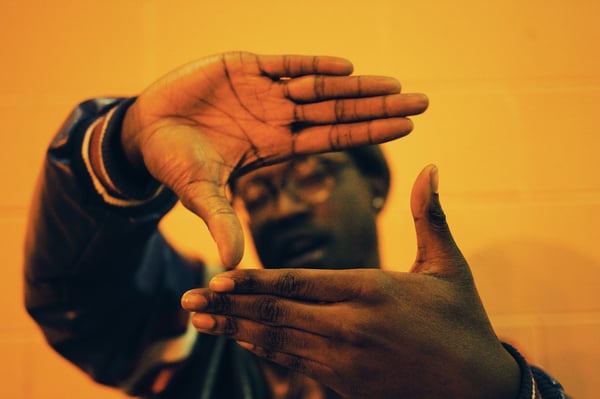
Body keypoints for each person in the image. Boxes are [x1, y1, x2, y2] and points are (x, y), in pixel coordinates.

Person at [23, 51, 569, 398]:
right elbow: (73, 299)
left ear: (374, 185)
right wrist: (123, 143)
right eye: (257, 193)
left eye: (311, 178)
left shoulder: (446, 358)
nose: (281, 209)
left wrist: (504, 390)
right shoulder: (202, 331)